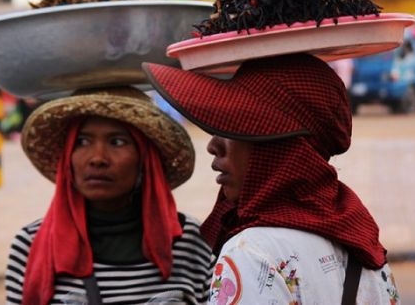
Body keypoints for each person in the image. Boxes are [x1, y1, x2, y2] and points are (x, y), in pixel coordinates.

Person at [143, 53, 401, 304]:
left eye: (232, 128)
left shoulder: (251, 251)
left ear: (276, 147)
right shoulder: (360, 237)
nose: (213, 145)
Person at [5, 86, 214, 305]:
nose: (97, 158)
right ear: (68, 157)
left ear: (145, 159)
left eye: (117, 142)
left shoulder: (191, 242)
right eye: (82, 142)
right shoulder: (30, 244)